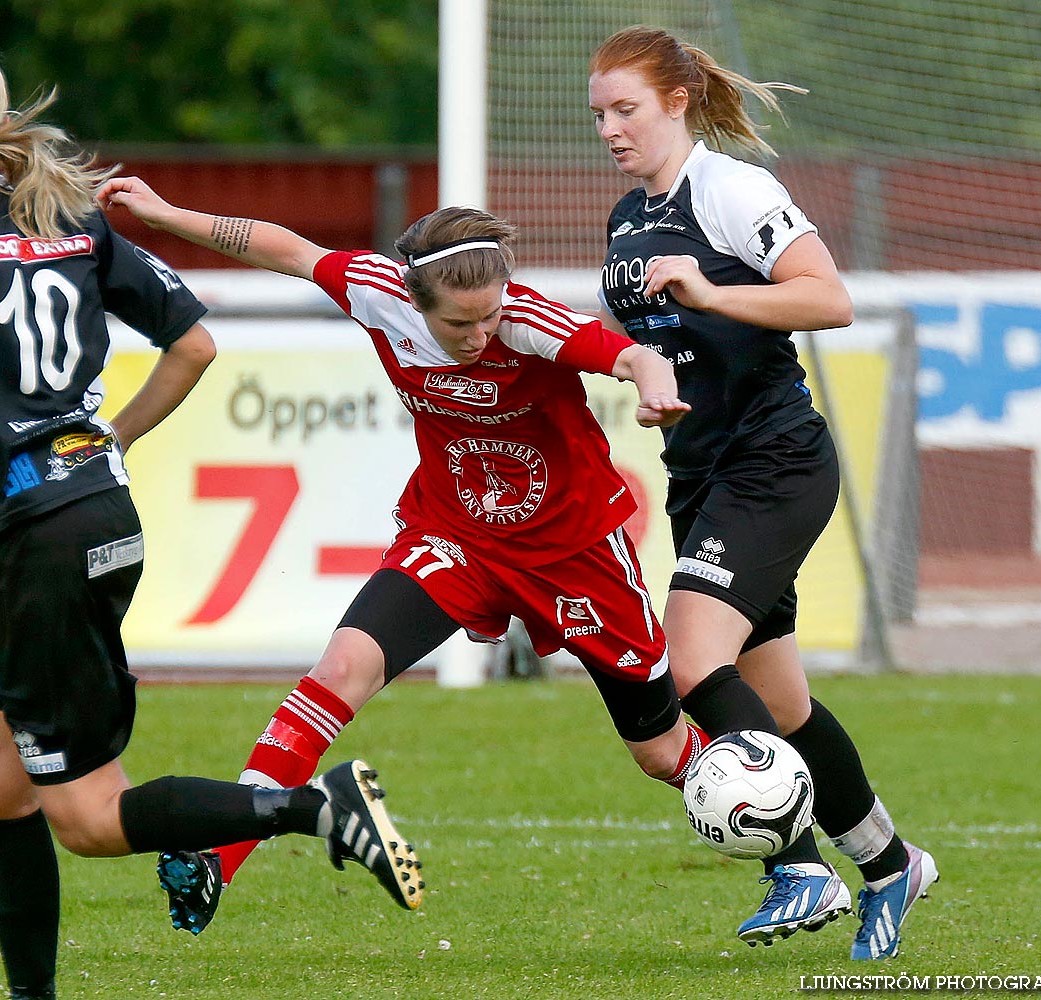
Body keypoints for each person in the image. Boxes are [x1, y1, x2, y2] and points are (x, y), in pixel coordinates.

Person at [96, 175, 702, 935]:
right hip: (457, 537)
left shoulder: (524, 322)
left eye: (490, 314)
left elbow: (629, 357)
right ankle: (220, 855)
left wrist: (654, 389)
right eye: (461, 322)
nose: (481, 332)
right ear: (416, 302)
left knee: (660, 751)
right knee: (339, 669)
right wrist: (162, 213)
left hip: (573, 554)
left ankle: (783, 836)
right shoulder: (379, 293)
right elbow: (281, 246)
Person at [0, 43, 421, 1000]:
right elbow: (195, 343)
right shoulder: (61, 212)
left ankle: (315, 808)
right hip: (94, 506)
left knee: (89, 818)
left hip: (32, 539)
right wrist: (107, 441)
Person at [587, 26, 938, 960]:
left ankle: (795, 863)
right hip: (699, 474)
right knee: (781, 709)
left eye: (626, 109)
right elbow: (663, 338)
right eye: (600, 115)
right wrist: (654, 384)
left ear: (676, 100)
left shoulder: (734, 190)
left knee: (693, 662)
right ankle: (891, 863)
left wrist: (709, 293)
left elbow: (827, 298)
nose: (611, 129)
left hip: (772, 459)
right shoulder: (628, 216)